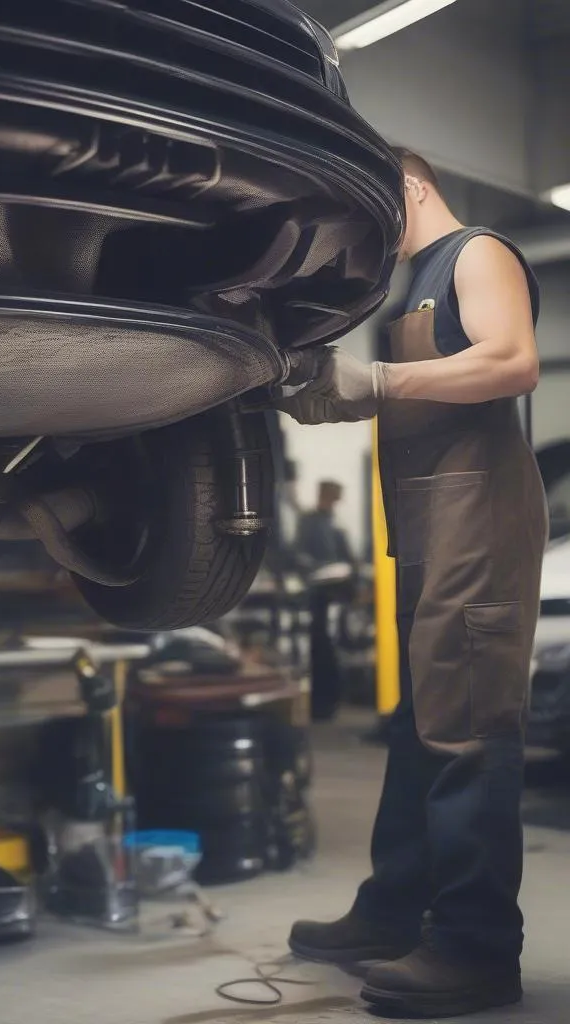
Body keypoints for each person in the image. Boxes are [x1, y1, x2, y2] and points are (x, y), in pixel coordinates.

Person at [276, 148, 546, 1018]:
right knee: (417, 720)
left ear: (413, 184)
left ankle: (475, 952)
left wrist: (381, 380)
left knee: (465, 728)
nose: (364, 229)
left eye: (372, 206)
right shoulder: (410, 282)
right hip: (429, 528)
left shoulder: (476, 251)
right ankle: (393, 910)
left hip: (479, 521)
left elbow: (512, 361)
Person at [295, 480, 353, 720]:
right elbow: (298, 553)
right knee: (321, 645)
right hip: (318, 591)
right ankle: (322, 702)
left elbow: (346, 555)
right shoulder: (309, 522)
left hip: (334, 590)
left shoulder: (334, 525)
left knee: (330, 645)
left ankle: (329, 701)